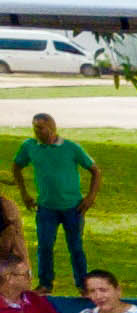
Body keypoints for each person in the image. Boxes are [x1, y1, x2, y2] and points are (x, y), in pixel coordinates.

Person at [11, 117, 95, 289]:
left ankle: (82, 285)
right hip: (46, 208)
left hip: (73, 208)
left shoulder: (71, 148)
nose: (37, 132)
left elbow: (95, 171)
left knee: (76, 247)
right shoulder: (30, 147)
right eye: (34, 129)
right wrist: (24, 193)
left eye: (41, 128)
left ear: (52, 128)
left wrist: (90, 197)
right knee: (45, 246)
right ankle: (45, 284)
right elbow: (16, 166)